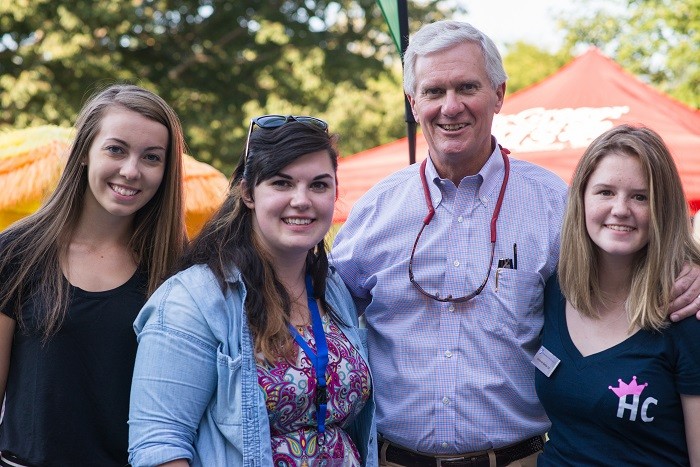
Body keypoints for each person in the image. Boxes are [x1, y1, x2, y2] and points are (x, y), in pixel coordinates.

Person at [331, 20, 700, 467]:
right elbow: (317, 306)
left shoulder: (555, 205)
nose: (451, 107)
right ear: (413, 103)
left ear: (499, 94)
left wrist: (691, 269)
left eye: (467, 86)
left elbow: (633, 253)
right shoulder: (377, 209)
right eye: (432, 92)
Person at [128, 115, 377, 467]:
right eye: (282, 183)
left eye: (319, 185)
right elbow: (159, 445)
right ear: (247, 193)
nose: (302, 200)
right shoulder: (193, 299)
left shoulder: (333, 289)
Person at [0, 84, 187, 466]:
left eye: (152, 158)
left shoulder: (179, 270)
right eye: (116, 149)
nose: (131, 171)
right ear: (84, 152)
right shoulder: (15, 251)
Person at [536, 125, 700, 465]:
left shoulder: (686, 313)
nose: (621, 209)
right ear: (581, 199)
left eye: (640, 196)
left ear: (663, 209)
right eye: (605, 192)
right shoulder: (554, 292)